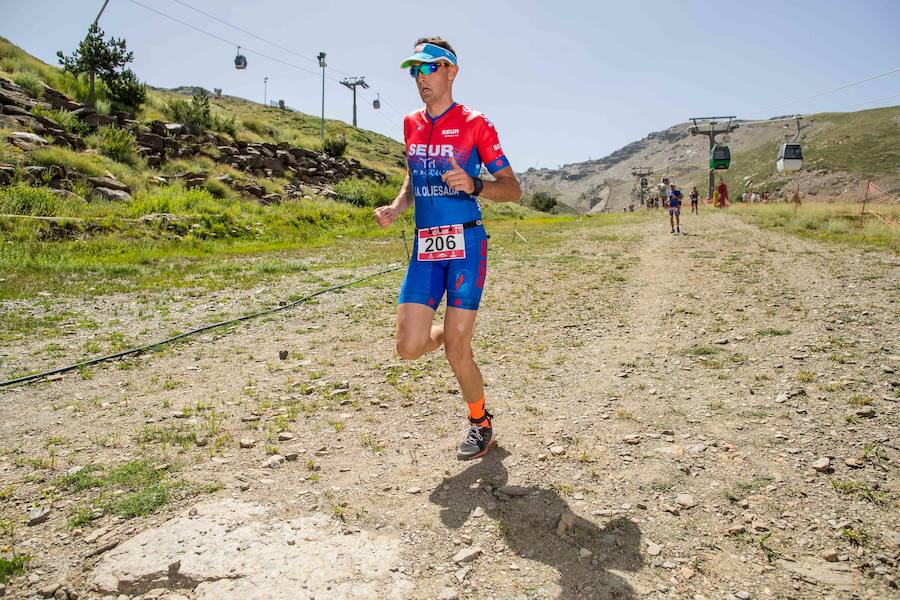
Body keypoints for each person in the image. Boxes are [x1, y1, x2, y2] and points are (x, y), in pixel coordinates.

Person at [374, 37, 521, 461]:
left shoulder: (476, 123)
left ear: (451, 71)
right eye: (414, 70)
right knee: (409, 347)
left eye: (428, 68)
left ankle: (480, 421)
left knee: (459, 350)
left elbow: (512, 189)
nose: (420, 77)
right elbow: (412, 172)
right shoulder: (410, 122)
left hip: (465, 243)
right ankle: (448, 333)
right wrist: (401, 205)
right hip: (425, 246)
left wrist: (475, 184)